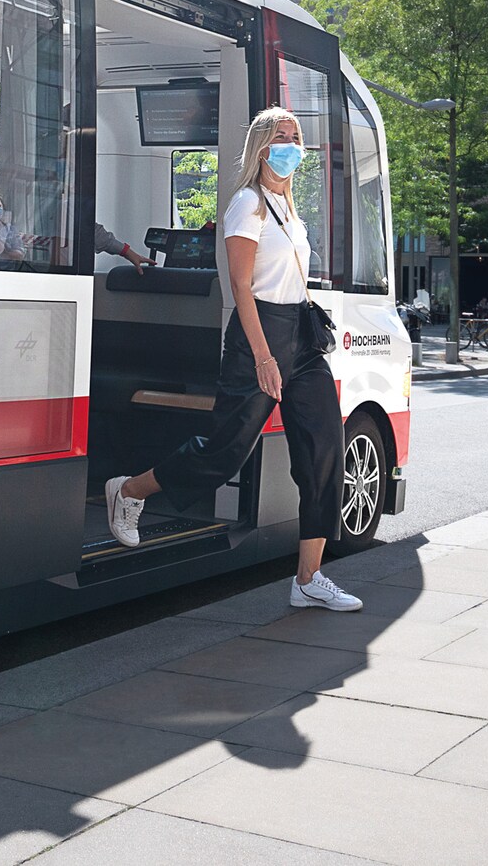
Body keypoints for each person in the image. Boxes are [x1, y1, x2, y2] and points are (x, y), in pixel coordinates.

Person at [105, 107, 360, 612]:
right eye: (281, 137)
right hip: (256, 338)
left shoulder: (288, 208)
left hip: (302, 342)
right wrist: (264, 356)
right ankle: (130, 490)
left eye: (296, 137)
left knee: (326, 448)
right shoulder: (248, 205)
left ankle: (308, 578)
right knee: (224, 451)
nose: (291, 145)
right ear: (261, 147)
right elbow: (241, 286)